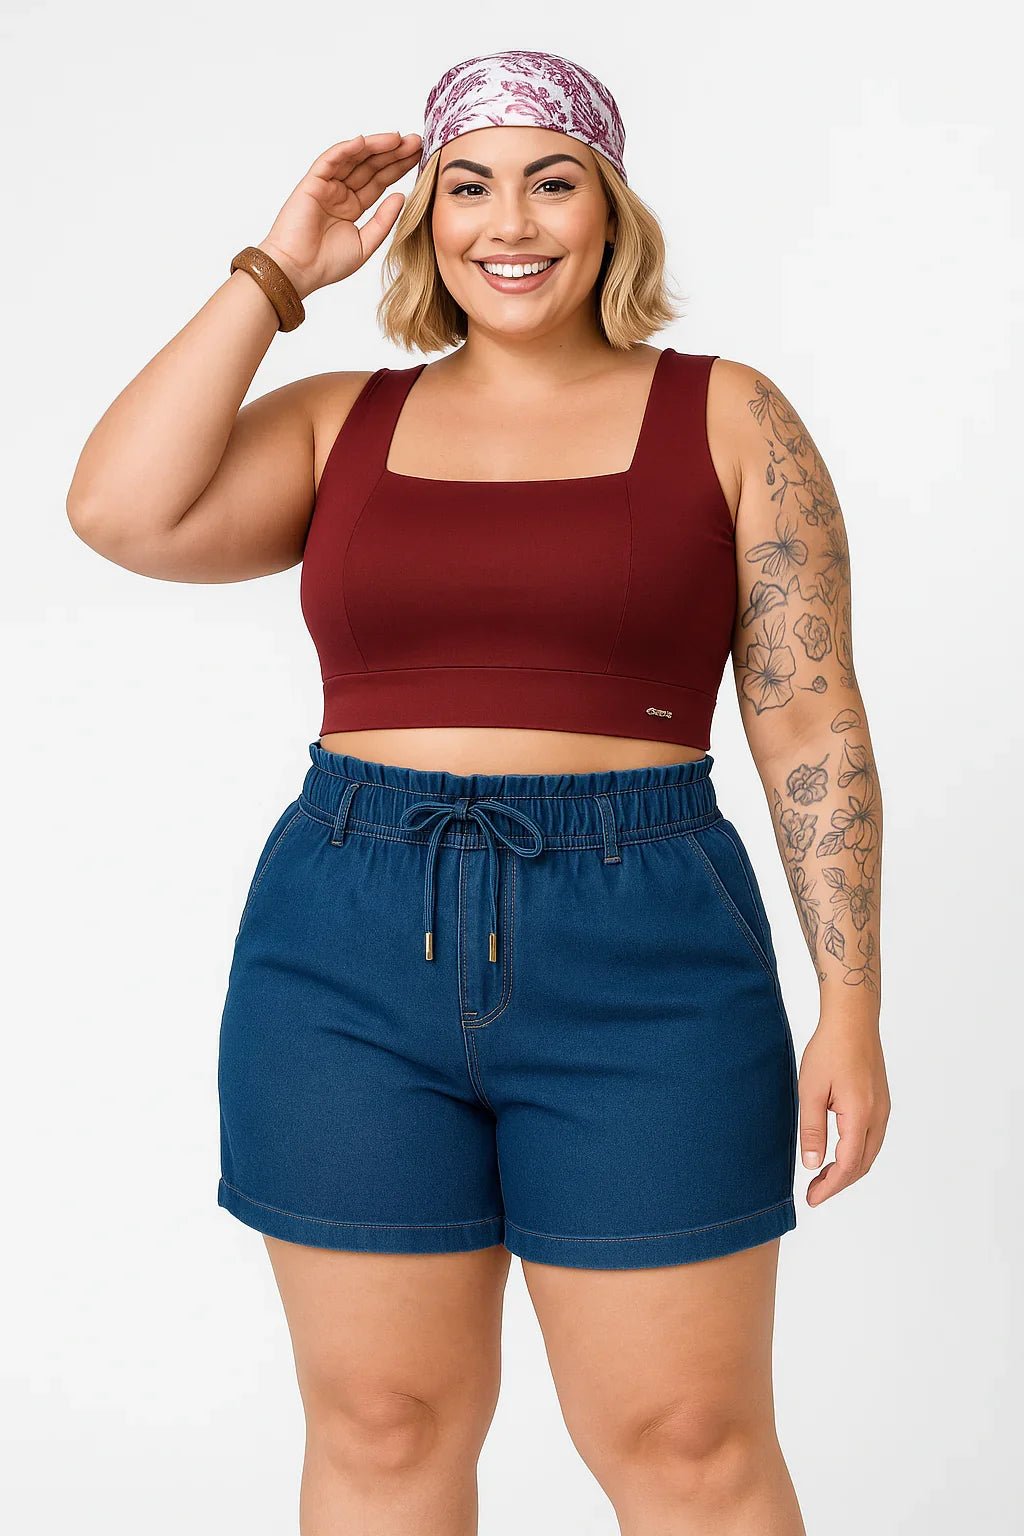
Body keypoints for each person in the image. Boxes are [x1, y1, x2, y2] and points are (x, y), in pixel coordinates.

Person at [67, 47, 890, 1536]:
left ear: (612, 208)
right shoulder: (339, 422)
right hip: (346, 945)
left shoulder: (730, 415)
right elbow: (121, 510)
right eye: (469, 186)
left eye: (551, 181)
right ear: (428, 217)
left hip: (647, 949)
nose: (510, 223)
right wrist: (276, 272)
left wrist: (851, 1003)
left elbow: (809, 716)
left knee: (690, 1445)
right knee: (381, 1428)